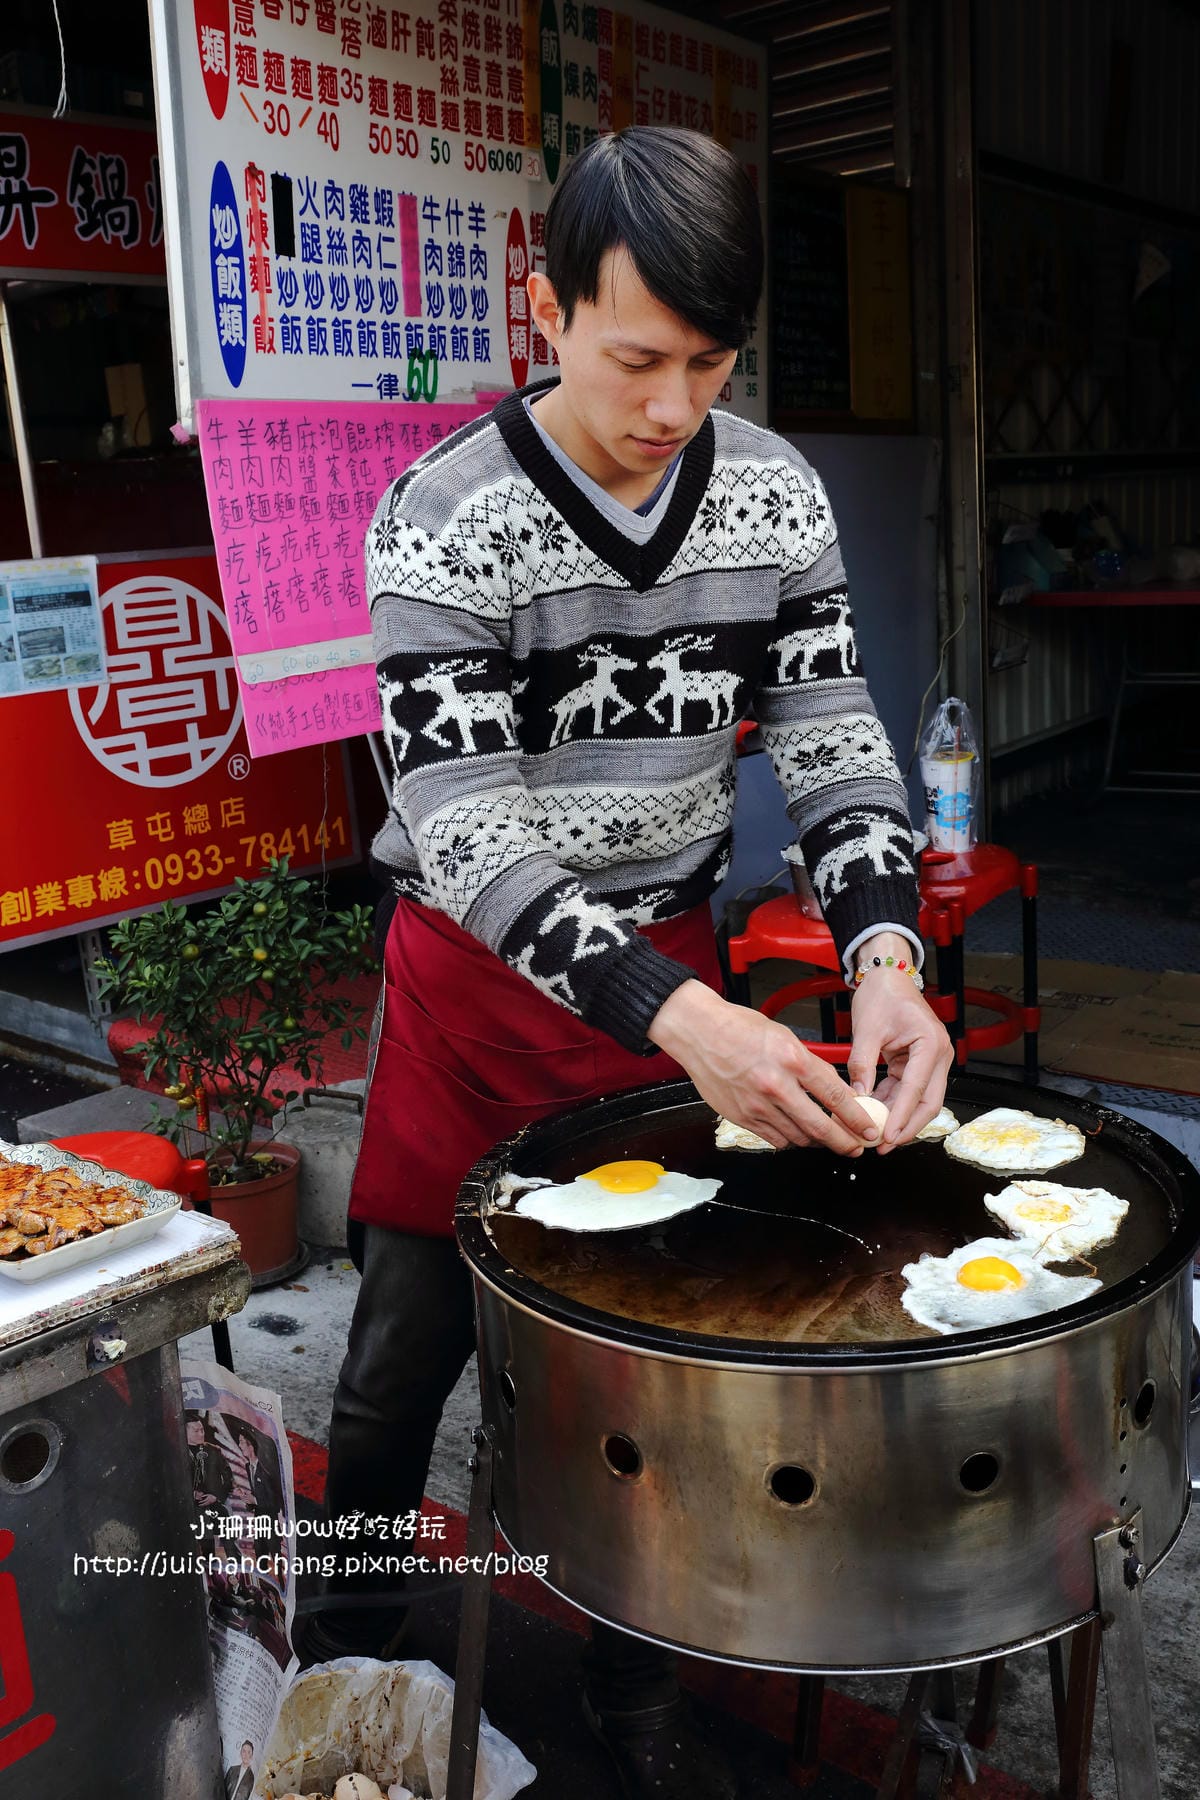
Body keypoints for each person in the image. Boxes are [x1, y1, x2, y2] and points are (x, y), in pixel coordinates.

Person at [307, 126, 953, 1800]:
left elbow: (829, 736)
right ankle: (350, 1627)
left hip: (673, 979)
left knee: (655, 1379)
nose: (673, 407)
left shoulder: (770, 491)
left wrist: (886, 949)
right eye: (634, 358)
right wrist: (694, 1023)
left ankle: (636, 1693)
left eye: (711, 361)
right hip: (479, 993)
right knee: (400, 1359)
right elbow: (468, 829)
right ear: (544, 310)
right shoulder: (441, 518)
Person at [187, 1414, 233, 1511]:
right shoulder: (177, 1454)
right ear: (185, 1432)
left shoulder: (214, 1450)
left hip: (215, 1508)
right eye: (196, 1431)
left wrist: (216, 1496)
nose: (201, 1434)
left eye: (202, 1430)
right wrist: (191, 1494)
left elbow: (229, 1478)